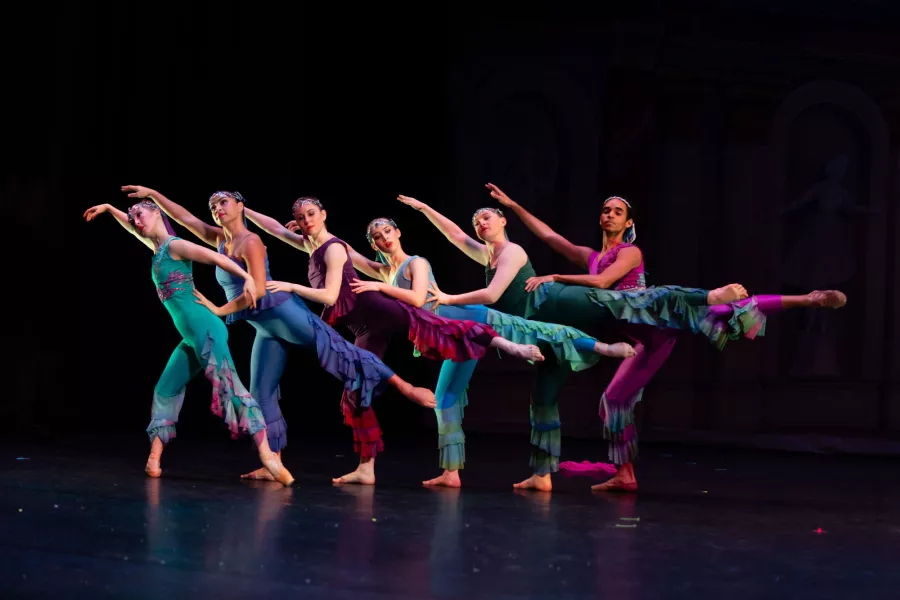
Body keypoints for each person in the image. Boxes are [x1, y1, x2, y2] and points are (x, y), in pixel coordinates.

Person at [121, 185, 435, 483]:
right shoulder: (218, 239)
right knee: (261, 391)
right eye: (213, 206)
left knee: (342, 352)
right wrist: (153, 195)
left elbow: (256, 290)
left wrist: (220, 310)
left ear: (240, 207)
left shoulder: (251, 242)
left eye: (223, 203)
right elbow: (183, 218)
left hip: (284, 312)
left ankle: (406, 388)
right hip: (264, 328)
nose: (217, 210)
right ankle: (272, 461)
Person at [83, 200, 293, 485]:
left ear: (157, 213)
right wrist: (110, 209)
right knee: (166, 388)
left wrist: (246, 277)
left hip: (207, 330)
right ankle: (154, 460)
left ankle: (270, 459)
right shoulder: (157, 251)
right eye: (132, 219)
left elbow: (217, 258)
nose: (136, 222)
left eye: (140, 215)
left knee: (231, 388)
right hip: (191, 337)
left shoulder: (174, 246)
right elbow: (133, 228)